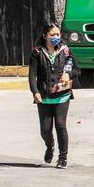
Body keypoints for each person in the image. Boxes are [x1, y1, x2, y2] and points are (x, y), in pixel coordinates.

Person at [29, 23, 78, 168]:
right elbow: (32, 75)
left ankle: (63, 158)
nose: (56, 37)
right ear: (45, 36)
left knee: (60, 125)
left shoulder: (66, 51)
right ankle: (50, 146)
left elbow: (76, 69)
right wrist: (35, 92)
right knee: (45, 130)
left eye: (58, 34)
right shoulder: (37, 53)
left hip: (62, 94)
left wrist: (67, 74)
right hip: (44, 96)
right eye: (52, 35)